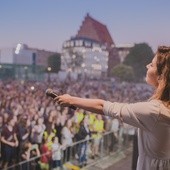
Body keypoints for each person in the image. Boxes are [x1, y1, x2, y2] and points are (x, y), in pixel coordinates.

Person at [54, 46, 170, 170]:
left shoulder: (153, 111)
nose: (147, 66)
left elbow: (103, 106)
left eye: (152, 65)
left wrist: (71, 100)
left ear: (161, 76)